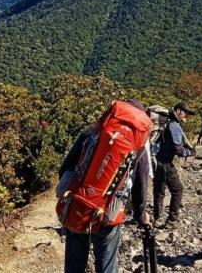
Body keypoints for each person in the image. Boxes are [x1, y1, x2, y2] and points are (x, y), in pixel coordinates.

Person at [59, 99, 148, 273]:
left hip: (79, 205)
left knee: (74, 265)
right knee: (106, 265)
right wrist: (140, 214)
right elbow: (140, 185)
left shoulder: (92, 132)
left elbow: (65, 169)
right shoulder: (138, 146)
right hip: (109, 214)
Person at [153, 102, 196, 228]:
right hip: (166, 163)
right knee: (178, 189)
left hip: (156, 161)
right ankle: (172, 220)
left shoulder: (166, 123)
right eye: (185, 112)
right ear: (178, 111)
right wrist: (189, 152)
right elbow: (179, 149)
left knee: (159, 191)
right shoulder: (174, 125)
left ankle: (157, 218)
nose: (186, 116)